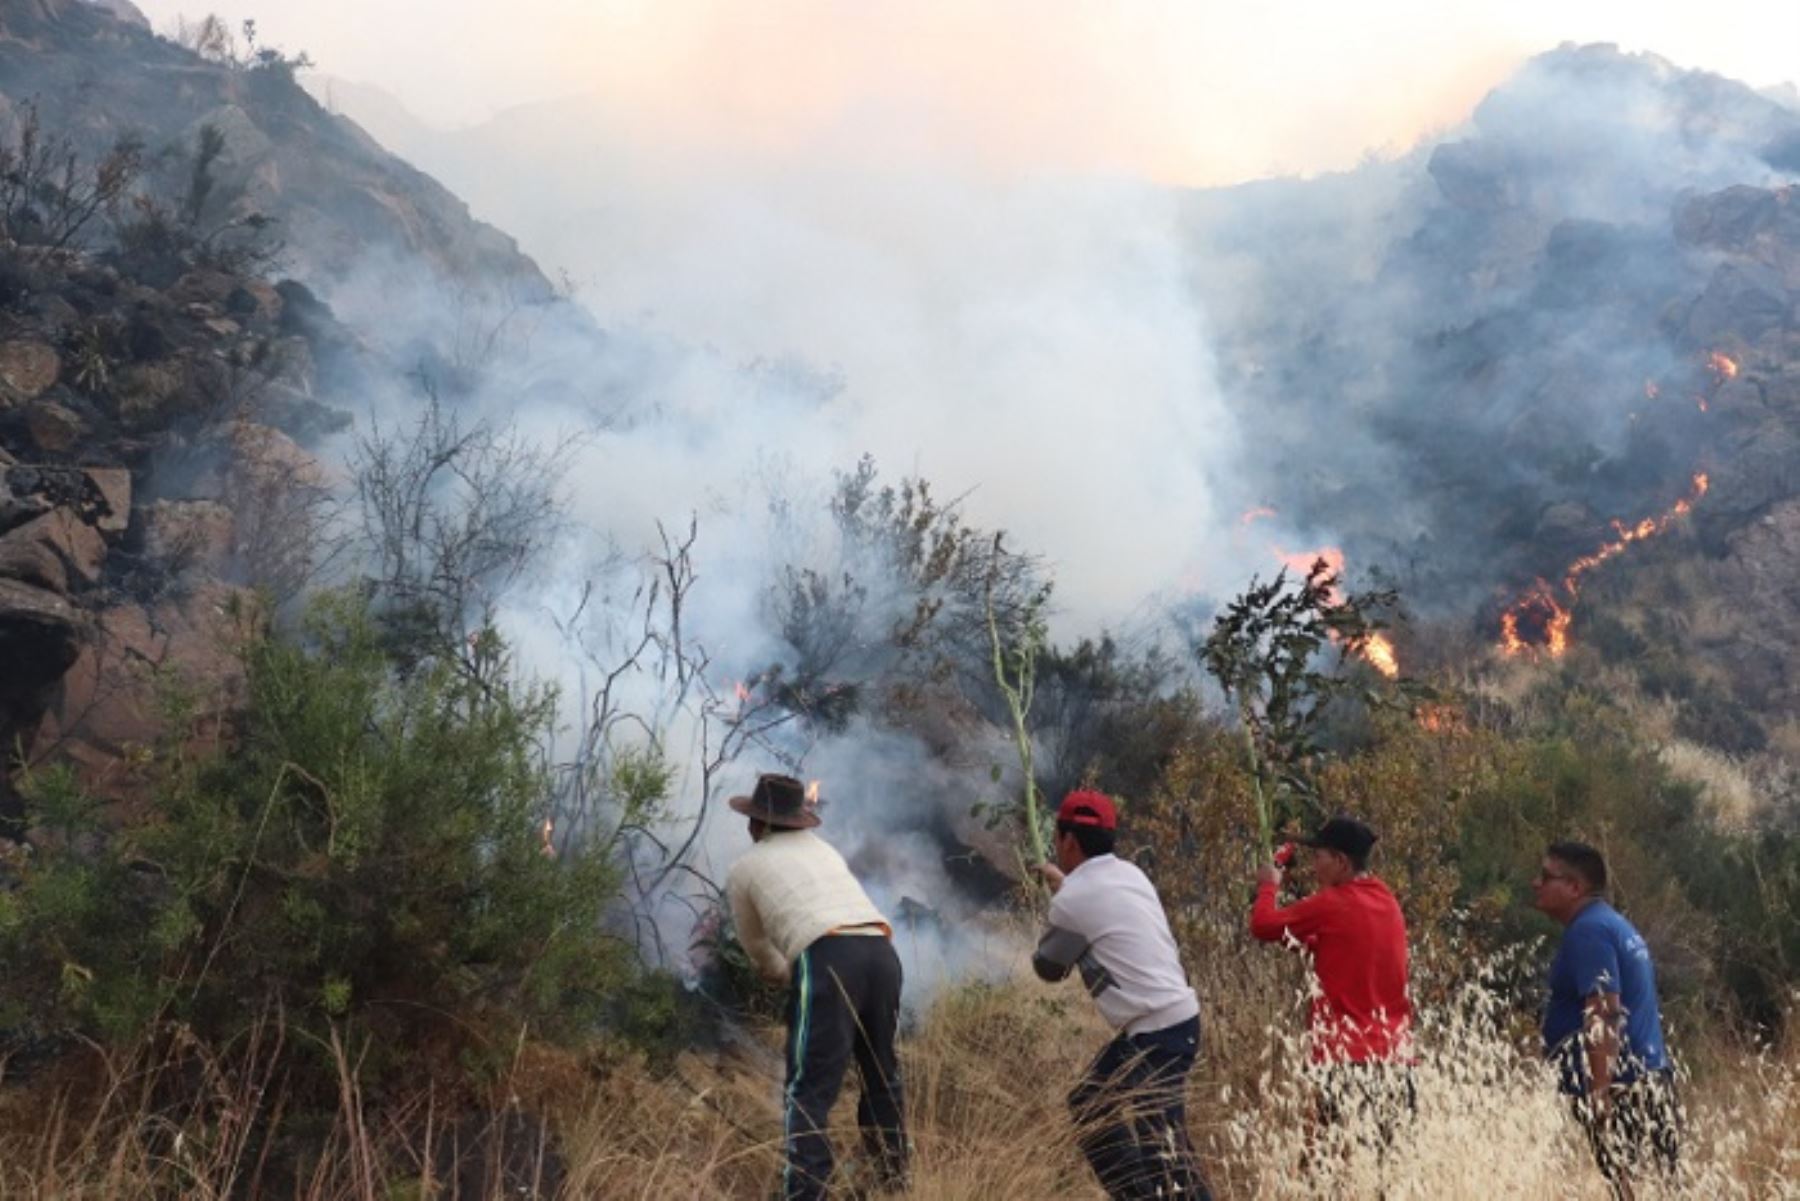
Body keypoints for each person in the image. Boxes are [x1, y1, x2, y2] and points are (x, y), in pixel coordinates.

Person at [726, 773, 908, 1200]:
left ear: (757, 824)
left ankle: (805, 1194)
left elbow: (759, 952)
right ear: (795, 821)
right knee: (882, 1076)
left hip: (827, 958)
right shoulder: (823, 850)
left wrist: (791, 978)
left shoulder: (744, 868)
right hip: (882, 953)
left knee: (807, 1091)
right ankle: (894, 1183)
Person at [1033, 789, 1213, 1200]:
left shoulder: (1073, 900)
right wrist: (1067, 893)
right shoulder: (1131, 873)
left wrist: (1061, 900)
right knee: (1094, 1104)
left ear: (1069, 841)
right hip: (1172, 1020)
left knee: (1164, 1148)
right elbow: (1099, 910)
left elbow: (1049, 969)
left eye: (1058, 838)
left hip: (1157, 1030)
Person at [1249, 815, 1414, 1148]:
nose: (1314, 866)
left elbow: (1262, 925)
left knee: (1329, 1170)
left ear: (1341, 861)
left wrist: (1268, 885)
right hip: (1397, 1059)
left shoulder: (1332, 902)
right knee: (1388, 1175)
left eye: (1319, 856)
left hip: (1345, 1060)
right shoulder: (1387, 900)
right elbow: (1345, 945)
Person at [1533, 840, 1679, 1200]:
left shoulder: (1589, 931)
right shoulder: (1613, 924)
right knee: (1659, 1190)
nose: (1536, 883)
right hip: (1648, 1078)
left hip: (1622, 1087)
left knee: (1628, 1190)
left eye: (1545, 876)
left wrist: (1599, 1092)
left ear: (1574, 887)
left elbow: (1604, 1011)